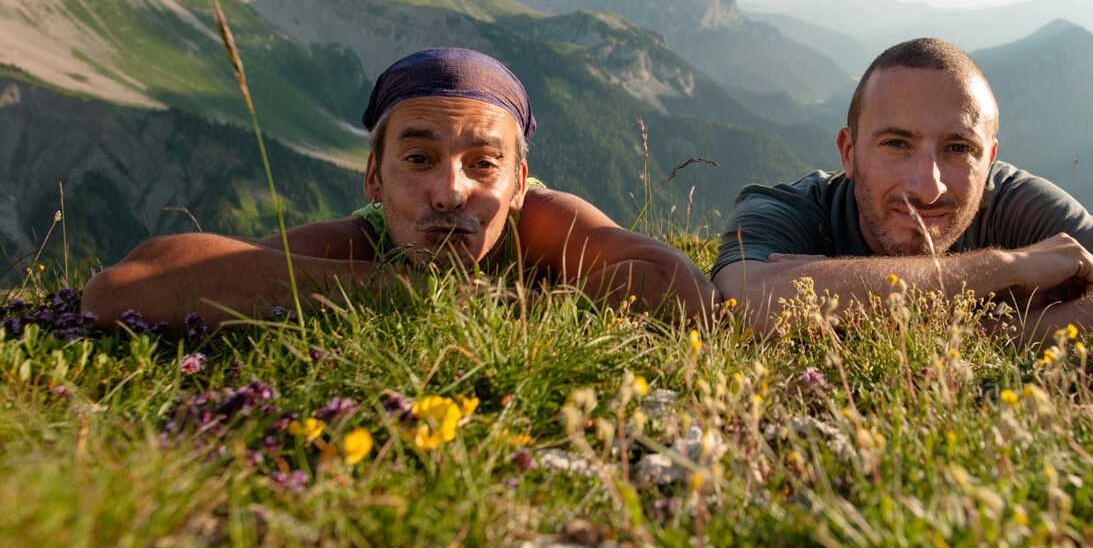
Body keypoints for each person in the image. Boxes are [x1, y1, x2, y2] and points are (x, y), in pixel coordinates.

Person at [82, 48, 716, 330]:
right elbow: (118, 291)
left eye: (483, 164)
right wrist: (401, 292)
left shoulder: (542, 221)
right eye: (418, 158)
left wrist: (508, 311)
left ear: (520, 183)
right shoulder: (360, 241)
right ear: (373, 180)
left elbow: (681, 287)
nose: (450, 192)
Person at [712, 37, 1093, 339]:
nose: (928, 187)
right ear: (848, 154)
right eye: (897, 143)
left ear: (989, 160)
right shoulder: (783, 208)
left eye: (958, 149)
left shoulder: (1016, 201)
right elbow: (744, 303)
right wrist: (1005, 267)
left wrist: (998, 334)